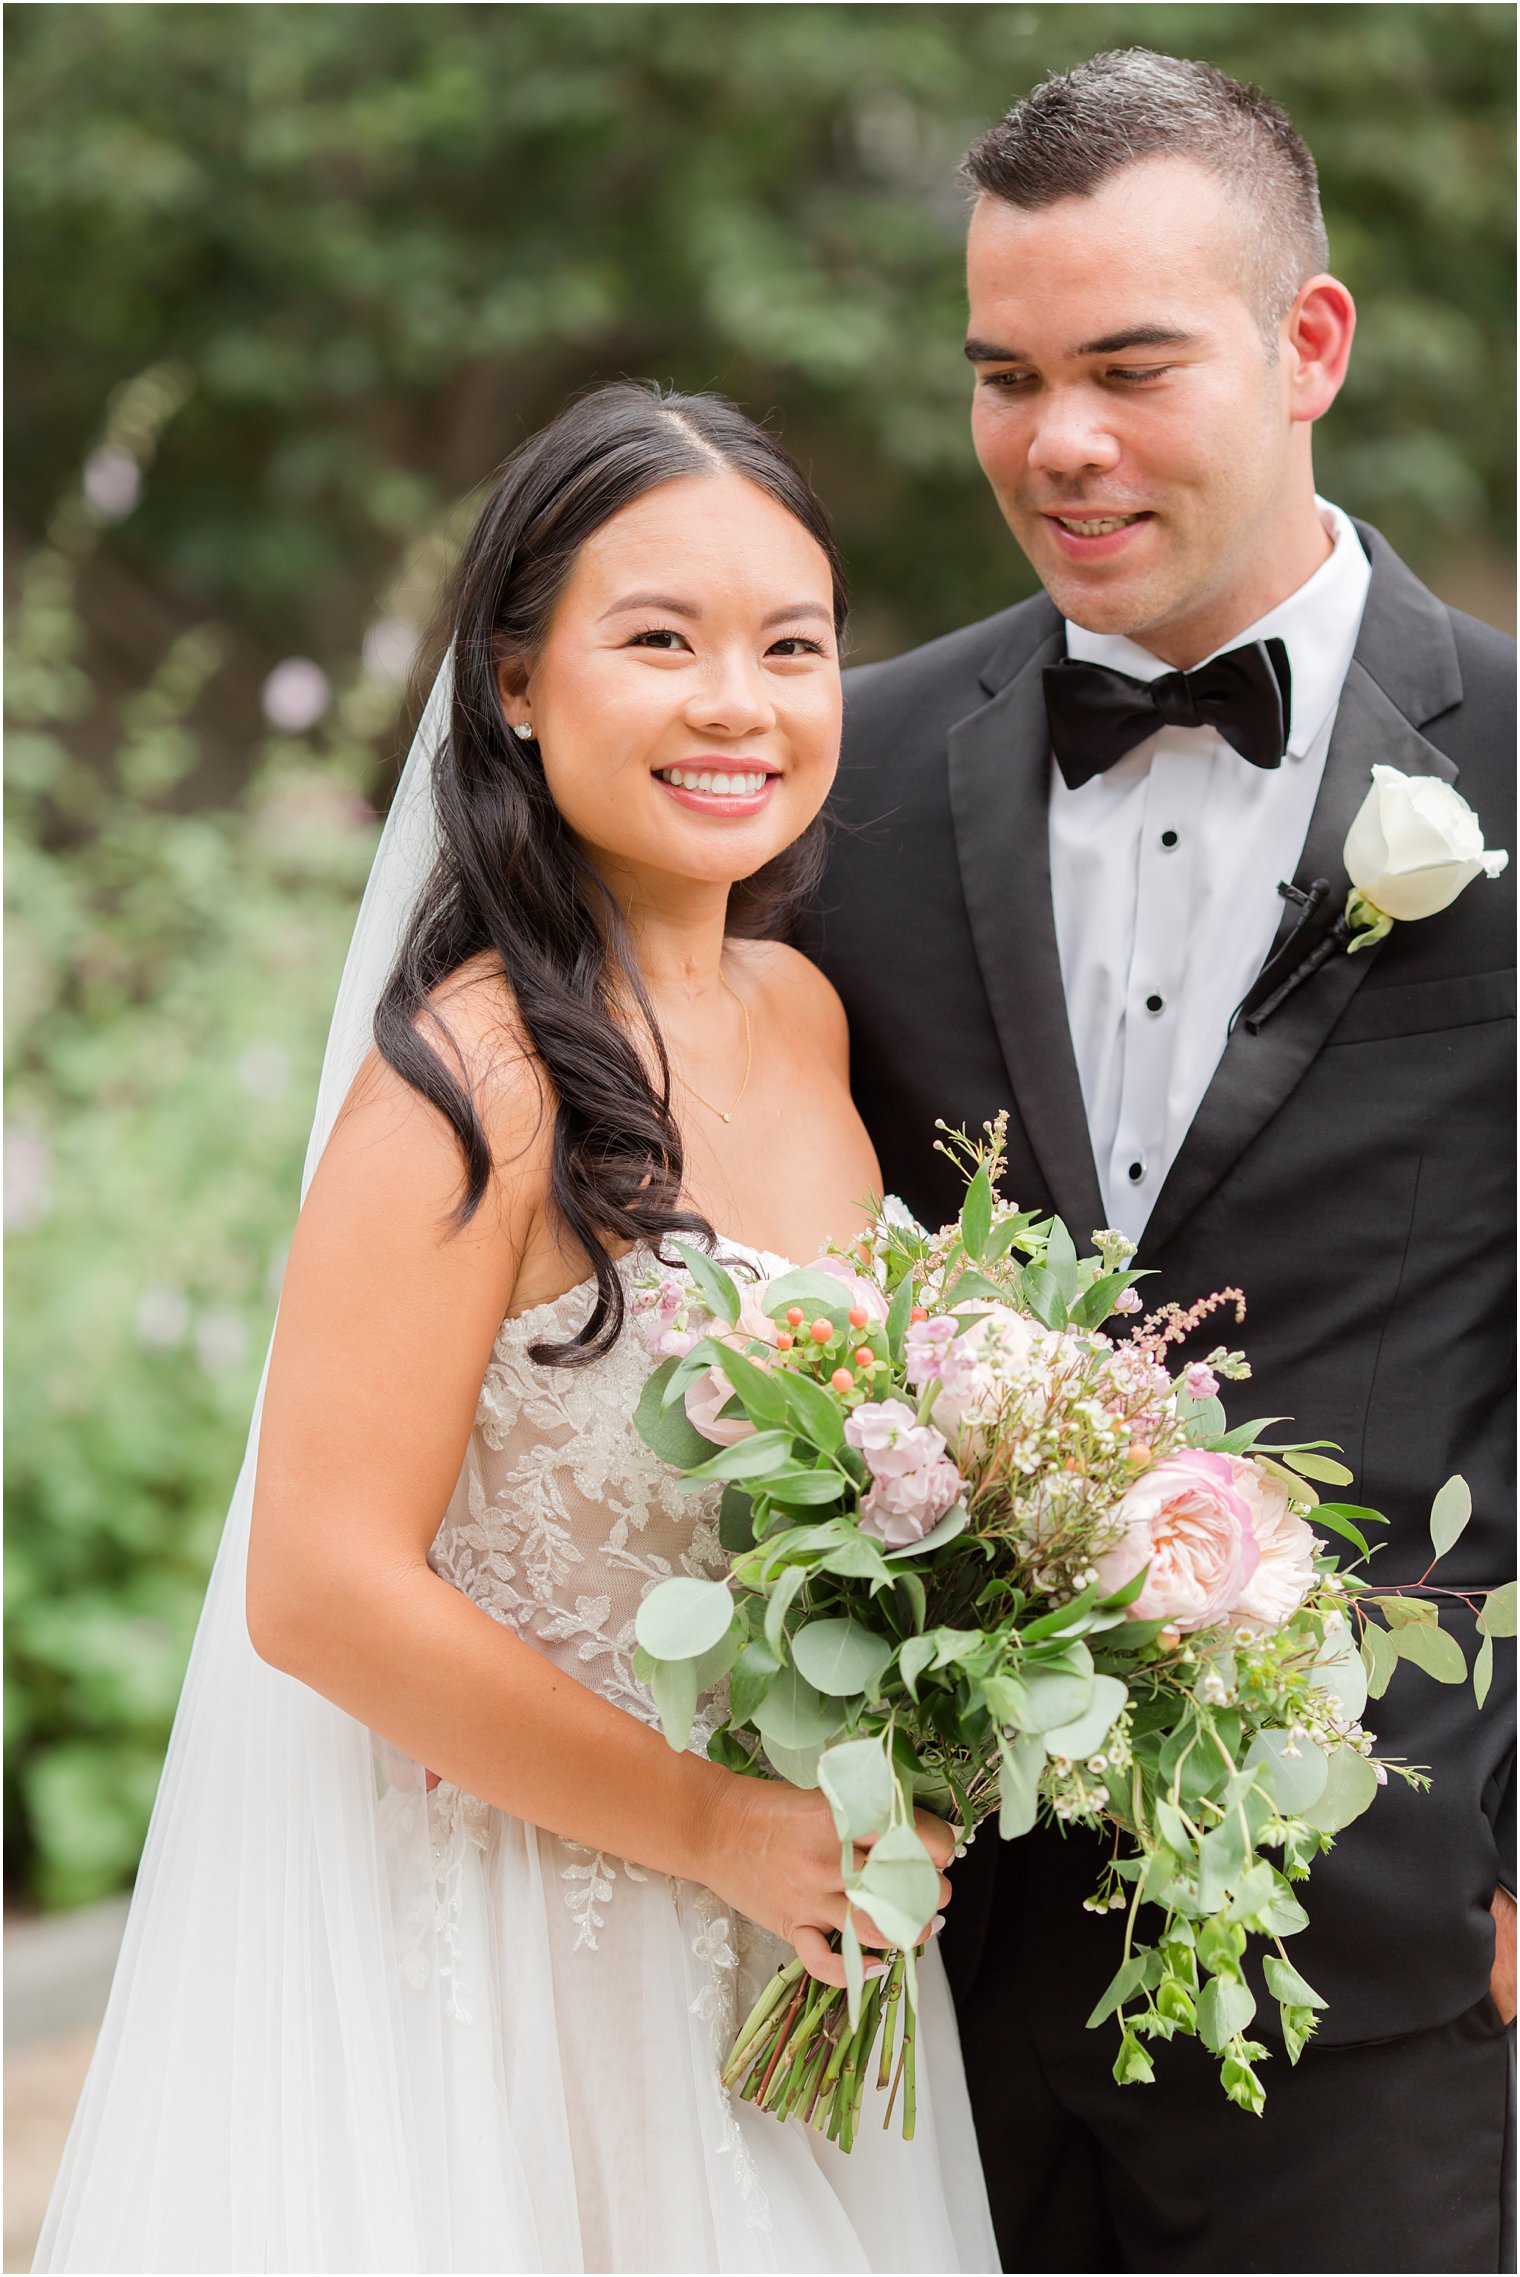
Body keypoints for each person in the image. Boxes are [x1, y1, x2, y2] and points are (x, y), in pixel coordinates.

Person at [35, 384, 997, 2274]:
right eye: (660, 640)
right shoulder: (469, 1077)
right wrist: (709, 1823)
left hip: (786, 1937)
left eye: (791, 647)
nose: (741, 703)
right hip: (532, 1945)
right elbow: (316, 1582)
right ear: (516, 683)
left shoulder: (804, 1014)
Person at [808, 49, 1515, 2277]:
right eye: (1003, 376)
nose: (1057, 442)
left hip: (1391, 1952)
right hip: (918, 1950)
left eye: (1129, 365)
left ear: (1307, 346)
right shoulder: (846, 774)